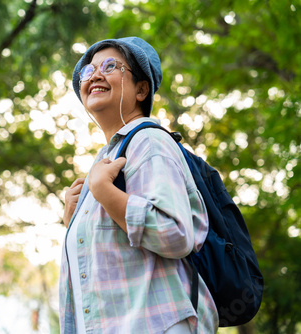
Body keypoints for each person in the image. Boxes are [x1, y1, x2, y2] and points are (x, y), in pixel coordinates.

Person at [59, 37, 219, 333]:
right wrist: (73, 221)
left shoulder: (148, 141)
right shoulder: (106, 160)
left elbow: (175, 232)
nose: (95, 74)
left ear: (141, 90)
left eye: (109, 66)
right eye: (88, 71)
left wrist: (104, 193)